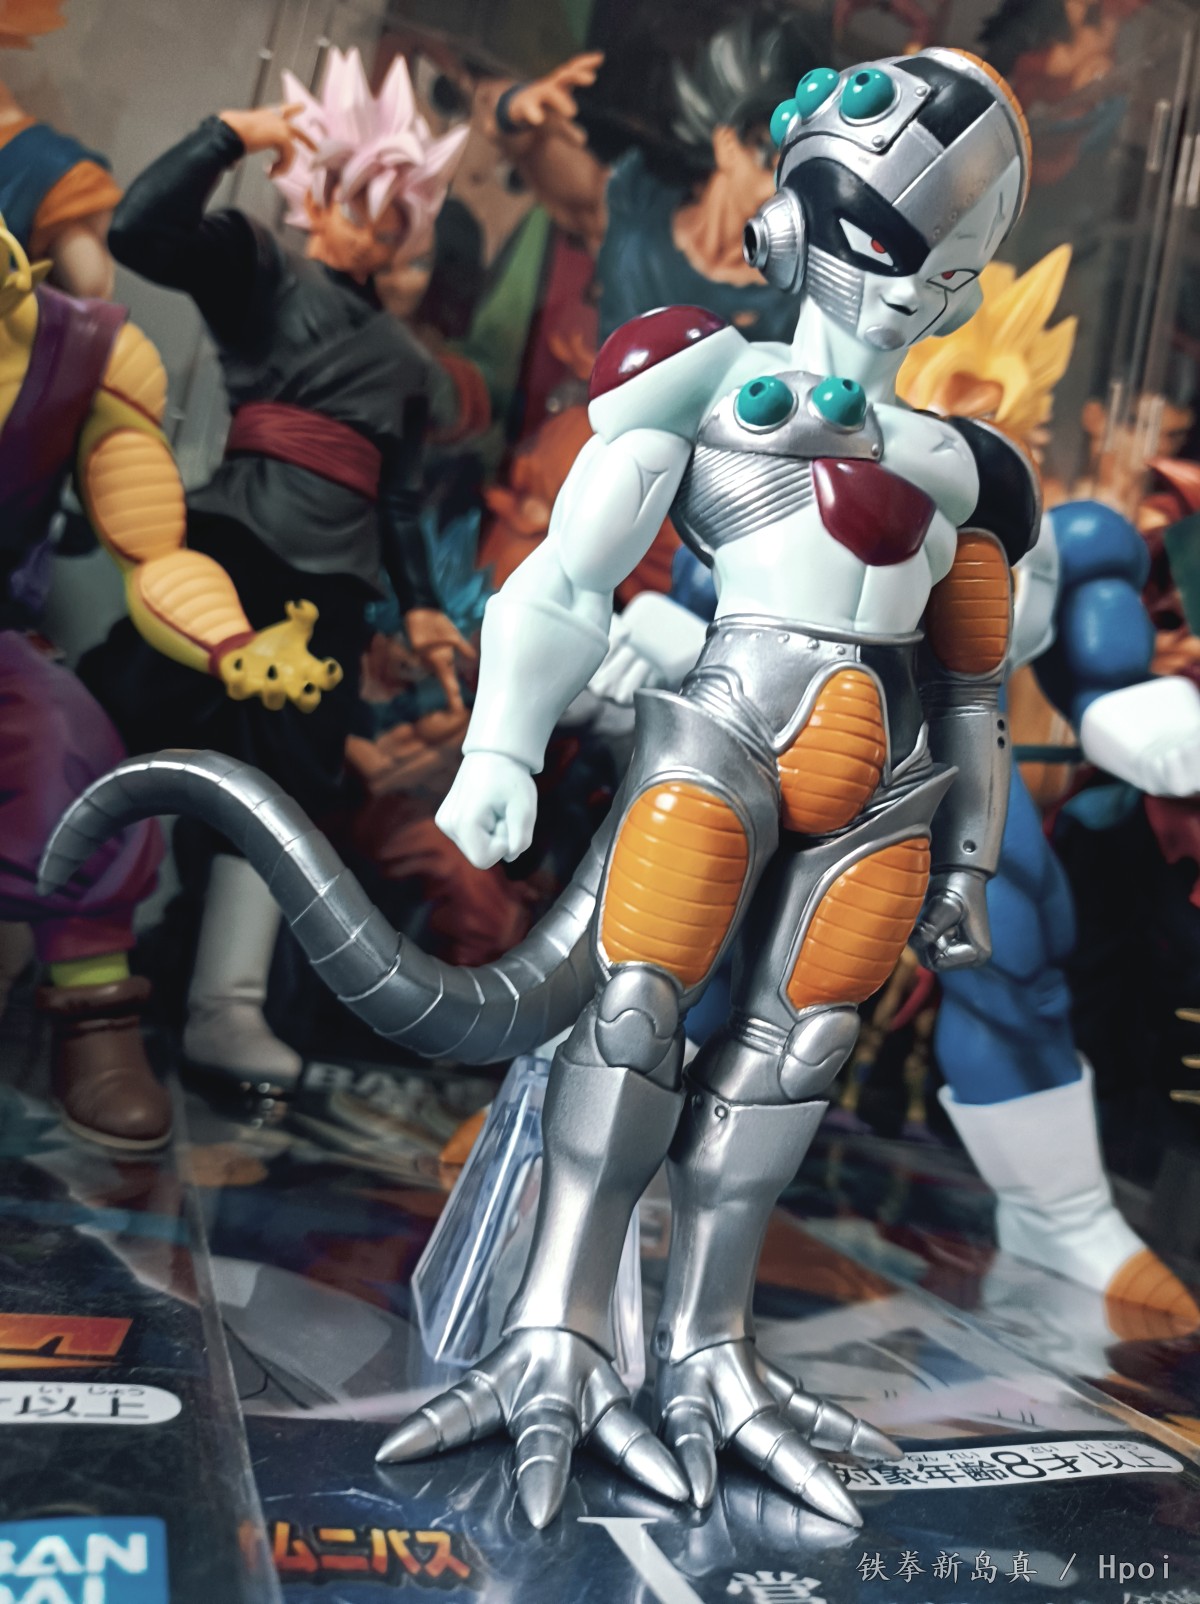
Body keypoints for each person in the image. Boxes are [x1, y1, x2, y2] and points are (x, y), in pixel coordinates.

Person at [44, 48, 1039, 1524]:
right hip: (718, 746)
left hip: (879, 798)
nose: (903, 283)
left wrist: (968, 858)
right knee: (630, 1021)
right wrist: (502, 748)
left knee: (799, 1053)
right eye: (881, 236)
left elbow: (969, 696)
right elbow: (564, 580)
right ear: (798, 219)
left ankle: (710, 1349)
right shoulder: (708, 376)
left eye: (939, 259)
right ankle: (556, 1333)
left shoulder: (966, 469)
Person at [83, 48, 475, 1091]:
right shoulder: (262, 269)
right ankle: (66, 944)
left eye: (393, 212)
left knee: (283, 793)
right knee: (123, 718)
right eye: (355, 198)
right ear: (316, 191)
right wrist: (230, 136)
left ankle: (228, 1004)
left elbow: (398, 500)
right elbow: (138, 232)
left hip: (331, 591)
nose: (372, 226)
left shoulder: (407, 364)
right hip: (232, 552)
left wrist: (423, 609)